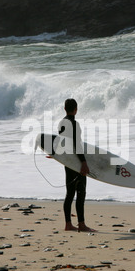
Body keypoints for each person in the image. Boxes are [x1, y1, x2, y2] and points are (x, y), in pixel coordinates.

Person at [58, 99, 96, 232]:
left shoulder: (61, 123)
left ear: (64, 109)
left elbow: (61, 143)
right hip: (76, 162)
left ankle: (68, 224)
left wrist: (56, 155)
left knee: (69, 194)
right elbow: (76, 145)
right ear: (76, 109)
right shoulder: (74, 124)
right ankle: (82, 224)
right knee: (81, 193)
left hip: (67, 162)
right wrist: (84, 163)